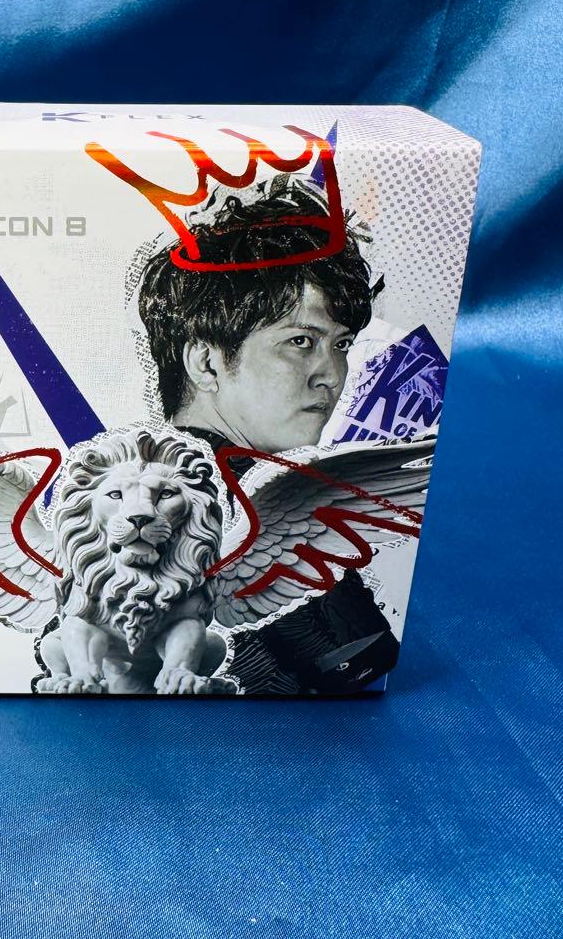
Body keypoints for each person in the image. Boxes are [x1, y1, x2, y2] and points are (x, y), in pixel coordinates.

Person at [137, 179, 399, 694]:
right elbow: (359, 663)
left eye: (342, 345)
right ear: (206, 362)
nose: (332, 375)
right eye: (301, 341)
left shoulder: (141, 493)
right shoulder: (250, 497)